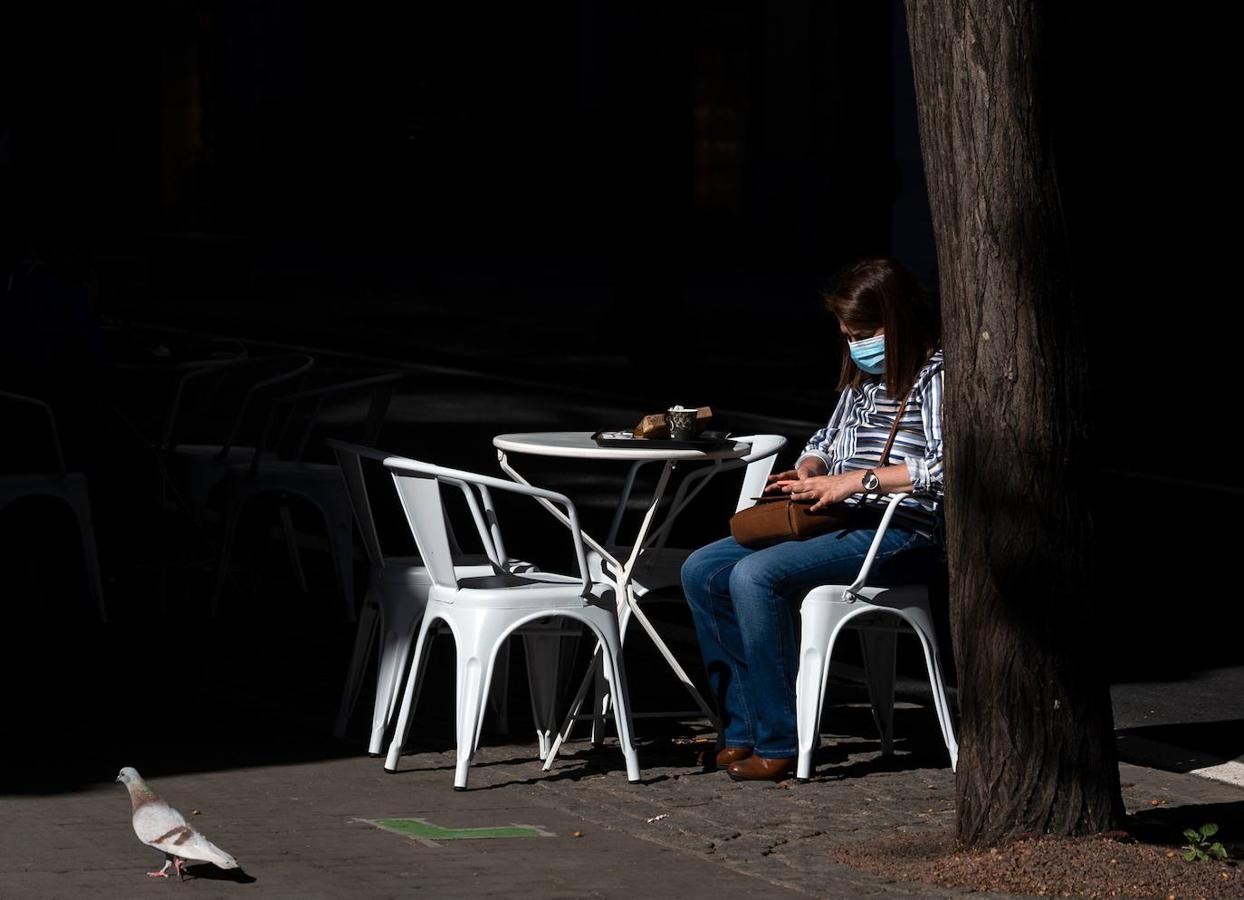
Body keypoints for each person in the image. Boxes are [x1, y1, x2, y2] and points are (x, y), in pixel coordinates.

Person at [681, 257, 944, 781]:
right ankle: (742, 729)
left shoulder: (937, 376)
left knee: (756, 576)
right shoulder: (862, 383)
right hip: (837, 516)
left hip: (899, 530)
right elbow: (826, 440)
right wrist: (810, 468)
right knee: (702, 569)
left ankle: (782, 741)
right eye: (848, 336)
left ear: (901, 320)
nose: (857, 346)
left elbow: (946, 463)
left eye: (866, 333)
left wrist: (857, 481)